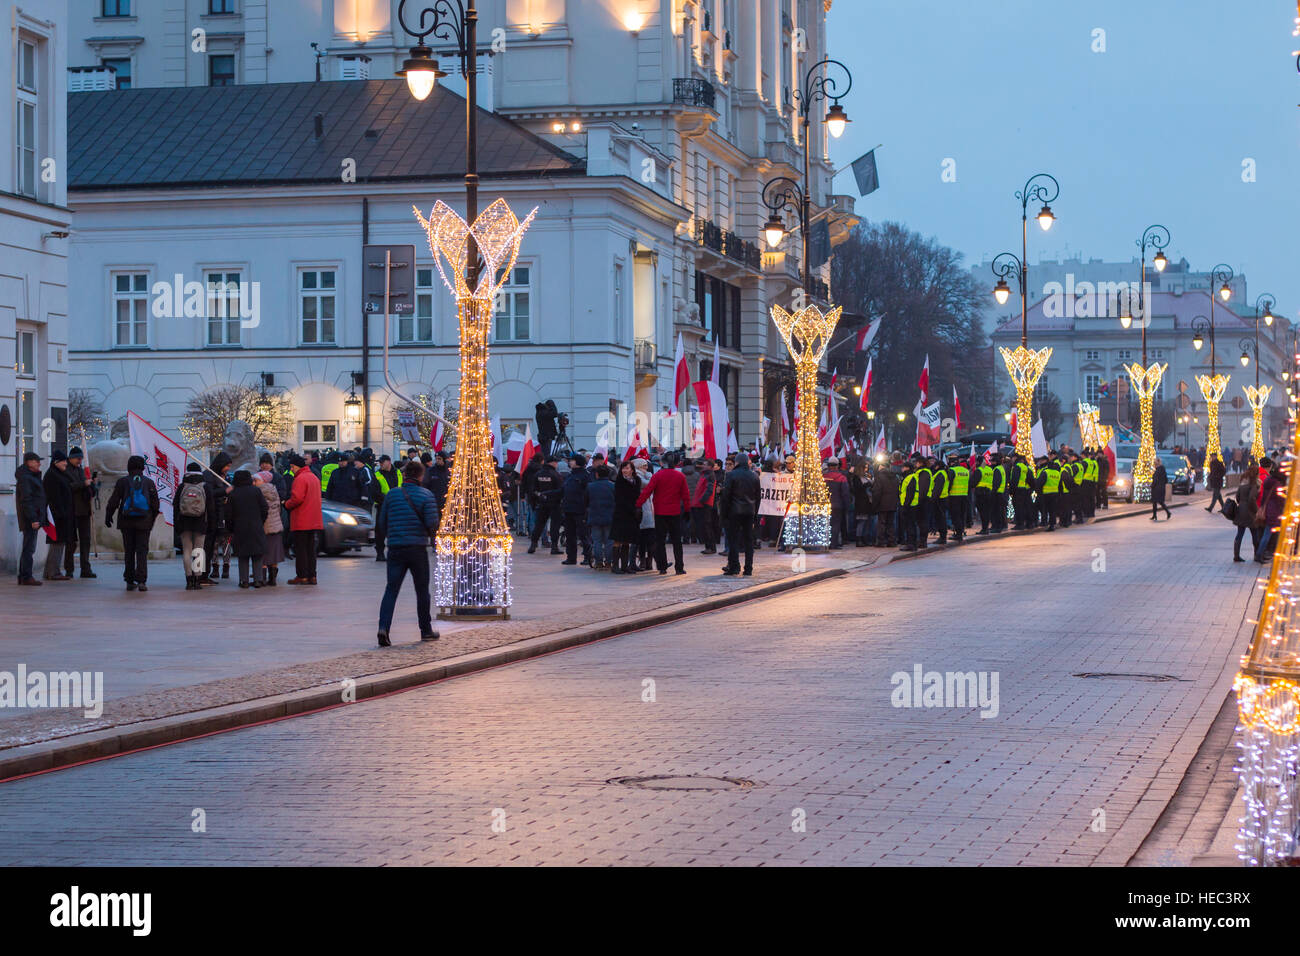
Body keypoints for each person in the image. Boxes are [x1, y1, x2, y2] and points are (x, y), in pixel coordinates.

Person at [375, 459, 441, 647]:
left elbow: (382, 522)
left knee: (391, 589)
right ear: (421, 476)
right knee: (422, 591)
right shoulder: (426, 495)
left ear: (404, 475)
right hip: (417, 548)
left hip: (396, 548)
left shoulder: (392, 495)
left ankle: (383, 628)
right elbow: (432, 524)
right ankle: (425, 630)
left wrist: (392, 536)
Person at [104, 454, 160, 591]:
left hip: (126, 522)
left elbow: (113, 502)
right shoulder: (148, 482)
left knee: (129, 551)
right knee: (142, 551)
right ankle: (141, 581)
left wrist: (108, 516)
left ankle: (129, 580)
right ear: (142, 467)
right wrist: (151, 520)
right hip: (144, 522)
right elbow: (155, 505)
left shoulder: (122, 482)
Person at [636, 451, 691, 574]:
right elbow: (686, 495)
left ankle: (662, 567)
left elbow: (647, 491)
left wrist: (638, 505)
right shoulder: (680, 476)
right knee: (677, 541)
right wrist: (687, 510)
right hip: (675, 512)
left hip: (660, 512)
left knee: (660, 540)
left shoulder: (658, 475)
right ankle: (679, 567)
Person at [284, 453, 323, 585]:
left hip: (302, 519)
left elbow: (297, 498)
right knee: (311, 549)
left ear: (297, 466)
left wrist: (286, 504)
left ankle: (302, 576)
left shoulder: (300, 479)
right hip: (314, 519)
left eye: (292, 467)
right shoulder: (314, 477)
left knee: (301, 549)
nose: (291, 469)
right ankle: (312, 576)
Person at [719, 452, 759, 575]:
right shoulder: (754, 476)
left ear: (737, 462)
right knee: (748, 541)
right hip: (749, 512)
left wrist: (724, 514)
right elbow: (758, 497)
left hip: (734, 512)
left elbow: (726, 496)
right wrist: (755, 515)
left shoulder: (731, 475)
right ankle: (748, 568)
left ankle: (734, 566)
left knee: (733, 540)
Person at [227, 469, 268, 589]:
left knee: (242, 556)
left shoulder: (233, 494)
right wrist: (261, 521)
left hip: (240, 528)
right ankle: (258, 580)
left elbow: (228, 513)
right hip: (256, 526)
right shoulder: (256, 491)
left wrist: (231, 528)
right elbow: (264, 508)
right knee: (257, 555)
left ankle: (244, 581)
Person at [175, 462, 212, 590]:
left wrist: (177, 524)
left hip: (184, 523)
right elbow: (210, 508)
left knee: (187, 551)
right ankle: (197, 580)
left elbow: (175, 506)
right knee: (199, 551)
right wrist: (210, 524)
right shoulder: (205, 486)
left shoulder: (182, 487)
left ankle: (188, 580)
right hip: (201, 523)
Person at [63, 447, 97, 579]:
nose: (80, 460)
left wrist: (92, 485)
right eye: (78, 458)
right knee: (71, 541)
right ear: (71, 458)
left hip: (84, 509)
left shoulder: (80, 470)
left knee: (86, 540)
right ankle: (69, 569)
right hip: (72, 510)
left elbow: (87, 487)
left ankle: (85, 568)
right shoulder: (66, 470)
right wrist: (83, 484)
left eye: (81, 458)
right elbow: (68, 487)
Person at [14, 451, 47, 586]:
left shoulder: (31, 476)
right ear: (29, 462)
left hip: (34, 516)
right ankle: (26, 576)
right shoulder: (26, 478)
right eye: (36, 461)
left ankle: (24, 575)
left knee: (29, 547)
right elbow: (26, 500)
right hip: (31, 519)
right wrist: (33, 518)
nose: (39, 463)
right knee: (29, 548)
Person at [41, 450, 74, 581]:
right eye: (63, 461)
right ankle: (53, 572)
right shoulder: (52, 476)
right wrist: (62, 514)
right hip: (57, 516)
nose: (66, 463)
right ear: (56, 462)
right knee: (57, 543)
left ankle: (50, 571)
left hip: (61, 515)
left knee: (58, 544)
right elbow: (54, 498)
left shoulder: (59, 474)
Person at [204, 451, 233, 583]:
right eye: (226, 465)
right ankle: (211, 569)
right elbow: (209, 493)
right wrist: (224, 491)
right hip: (214, 514)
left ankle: (225, 567)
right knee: (213, 544)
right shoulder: (210, 475)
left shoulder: (226, 477)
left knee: (225, 543)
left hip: (225, 514)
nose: (228, 468)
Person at [527, 455, 564, 554]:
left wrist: (537, 499)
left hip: (542, 503)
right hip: (554, 503)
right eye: (555, 462)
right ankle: (554, 547)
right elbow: (561, 490)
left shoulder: (538, 474)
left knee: (539, 525)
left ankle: (533, 545)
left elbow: (533, 489)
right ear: (551, 463)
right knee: (554, 526)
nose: (557, 464)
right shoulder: (556, 475)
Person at [560, 454, 592, 566]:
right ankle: (571, 557)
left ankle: (588, 557)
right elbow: (562, 491)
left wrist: (586, 507)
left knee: (584, 535)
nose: (570, 462)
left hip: (580, 510)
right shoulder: (570, 476)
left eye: (572, 460)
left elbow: (589, 493)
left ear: (577, 462)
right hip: (568, 509)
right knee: (570, 535)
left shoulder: (585, 476)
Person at [611, 459, 642, 574]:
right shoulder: (619, 481)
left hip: (632, 514)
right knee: (618, 539)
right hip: (621, 513)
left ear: (632, 470)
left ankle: (625, 566)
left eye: (627, 468)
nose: (625, 470)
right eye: (623, 468)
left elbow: (637, 495)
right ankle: (615, 566)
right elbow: (619, 498)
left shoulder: (637, 480)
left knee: (627, 540)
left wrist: (637, 509)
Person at [255, 469, 285, 585]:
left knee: (263, 553)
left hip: (264, 525)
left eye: (256, 480)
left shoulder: (259, 491)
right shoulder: (273, 489)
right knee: (274, 552)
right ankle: (272, 579)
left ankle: (261, 579)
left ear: (263, 481)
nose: (254, 482)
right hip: (276, 524)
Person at [370, 455, 402, 561]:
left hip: (396, 506)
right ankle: (380, 553)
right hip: (383, 506)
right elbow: (374, 492)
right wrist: (387, 499)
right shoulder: (377, 475)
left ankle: (395, 552)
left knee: (395, 530)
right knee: (380, 531)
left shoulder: (398, 472)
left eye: (382, 462)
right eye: (380, 463)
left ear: (388, 462)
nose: (380, 464)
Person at [1254, 462, 1286, 563]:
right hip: (1275, 511)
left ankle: (1261, 554)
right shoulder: (1277, 484)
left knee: (1267, 534)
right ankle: (1260, 555)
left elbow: (1264, 496)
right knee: (1268, 534)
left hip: (1268, 509)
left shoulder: (1269, 480)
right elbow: (1281, 499)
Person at [586, 464, 615, 569]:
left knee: (597, 541)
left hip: (595, 517)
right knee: (609, 541)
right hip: (610, 517)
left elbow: (585, 501)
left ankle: (598, 562)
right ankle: (608, 562)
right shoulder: (613, 486)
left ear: (597, 474)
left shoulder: (590, 486)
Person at [1232, 467, 1260, 562]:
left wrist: (1242, 504)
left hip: (1241, 510)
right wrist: (1256, 511)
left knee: (1239, 534)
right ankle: (1257, 555)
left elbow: (1237, 497)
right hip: (1250, 512)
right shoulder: (1254, 484)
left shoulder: (1243, 483)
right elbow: (1252, 498)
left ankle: (1236, 555)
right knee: (1255, 534)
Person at [690, 457, 718, 555]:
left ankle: (711, 547)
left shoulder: (709, 475)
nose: (703, 466)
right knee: (705, 526)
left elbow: (709, 490)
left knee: (707, 526)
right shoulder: (705, 474)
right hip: (702, 503)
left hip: (705, 504)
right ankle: (708, 547)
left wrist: (702, 500)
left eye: (705, 464)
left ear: (710, 466)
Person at [823, 457, 849, 549]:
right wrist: (846, 505)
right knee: (836, 525)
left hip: (824, 505)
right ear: (837, 466)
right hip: (838, 505)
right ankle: (833, 543)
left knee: (826, 524)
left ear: (829, 466)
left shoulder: (823, 477)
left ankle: (825, 542)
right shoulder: (842, 478)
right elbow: (845, 493)